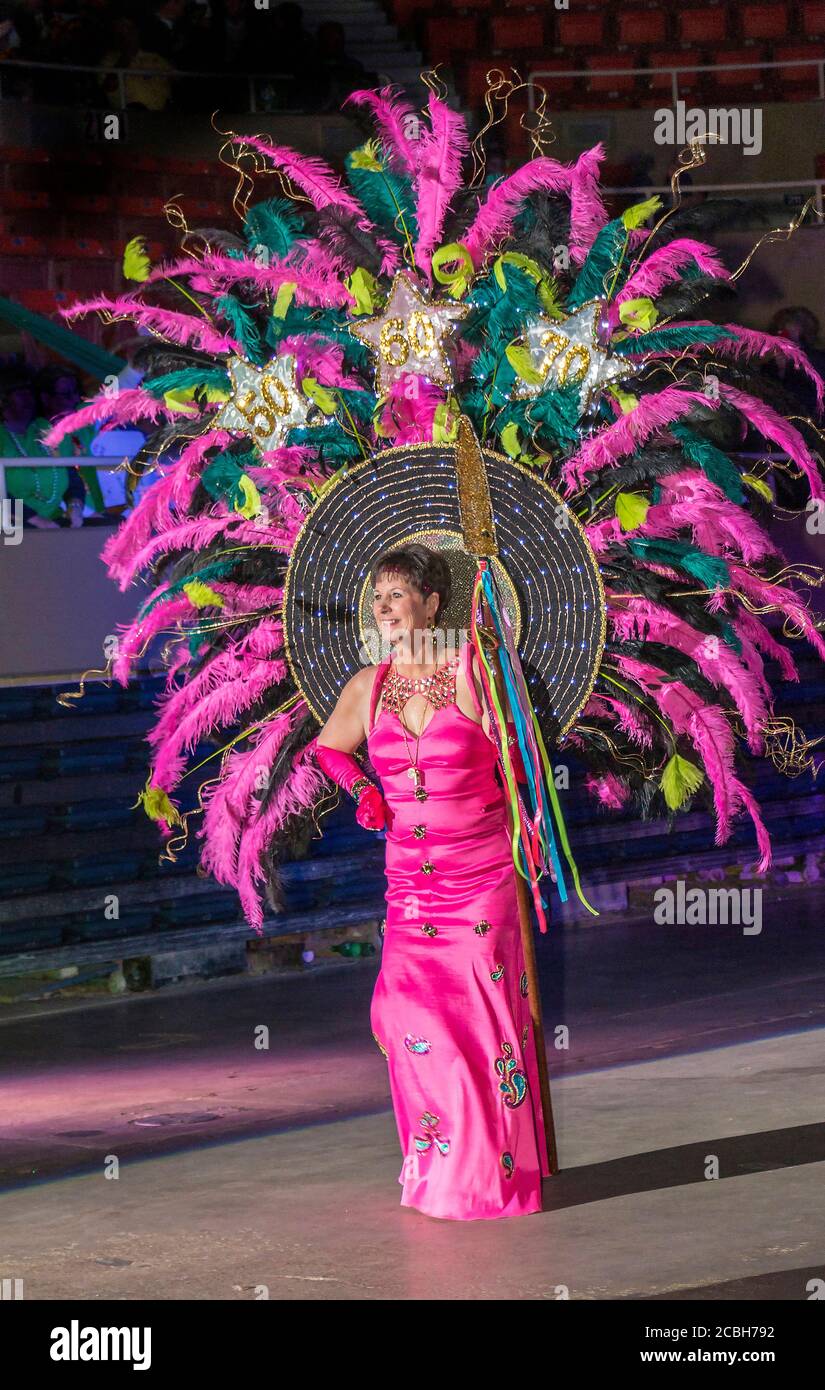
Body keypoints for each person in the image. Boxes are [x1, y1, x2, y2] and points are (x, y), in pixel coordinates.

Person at [315, 544, 551, 1221]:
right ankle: (438, 1161)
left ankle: (487, 1177)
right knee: (406, 1020)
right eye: (376, 597)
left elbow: (518, 764)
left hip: (478, 879)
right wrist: (360, 786)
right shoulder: (368, 685)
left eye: (394, 595)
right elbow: (329, 747)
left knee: (476, 1027)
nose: (382, 608)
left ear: (431, 603)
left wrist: (509, 761)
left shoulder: (475, 669)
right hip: (410, 889)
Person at [0, 367, 85, 527]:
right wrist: (36, 521)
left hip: (54, 521)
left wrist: (75, 506)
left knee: (112, 528)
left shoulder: (48, 430)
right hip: (11, 527)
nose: (28, 399)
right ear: (3, 399)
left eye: (30, 392)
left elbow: (71, 476)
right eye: (20, 393)